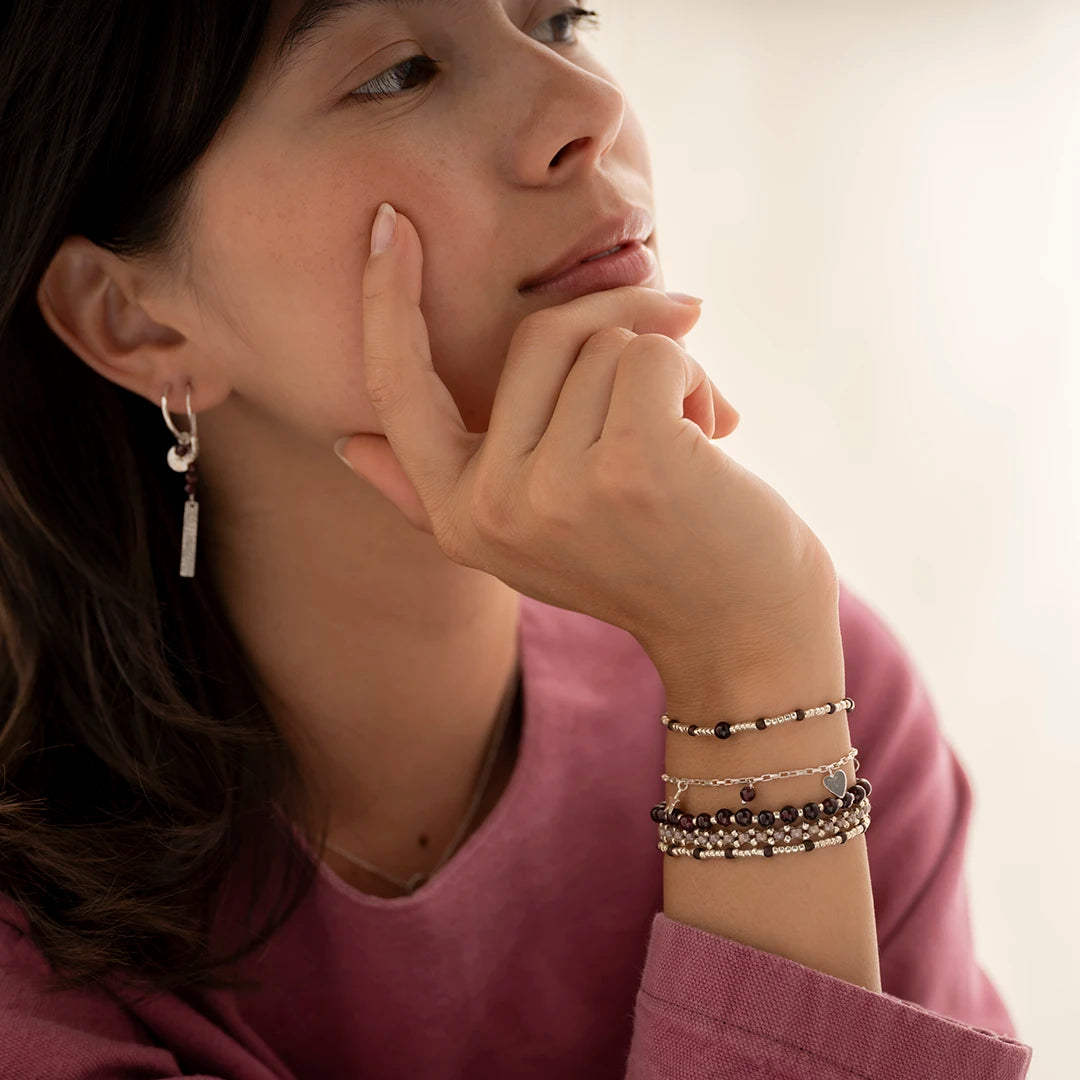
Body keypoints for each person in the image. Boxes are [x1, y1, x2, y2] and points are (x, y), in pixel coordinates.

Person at [0, 2, 1033, 1077]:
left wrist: (757, 689)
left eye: (562, 19)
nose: (589, 106)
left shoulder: (811, 682)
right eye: (399, 74)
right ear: (136, 319)